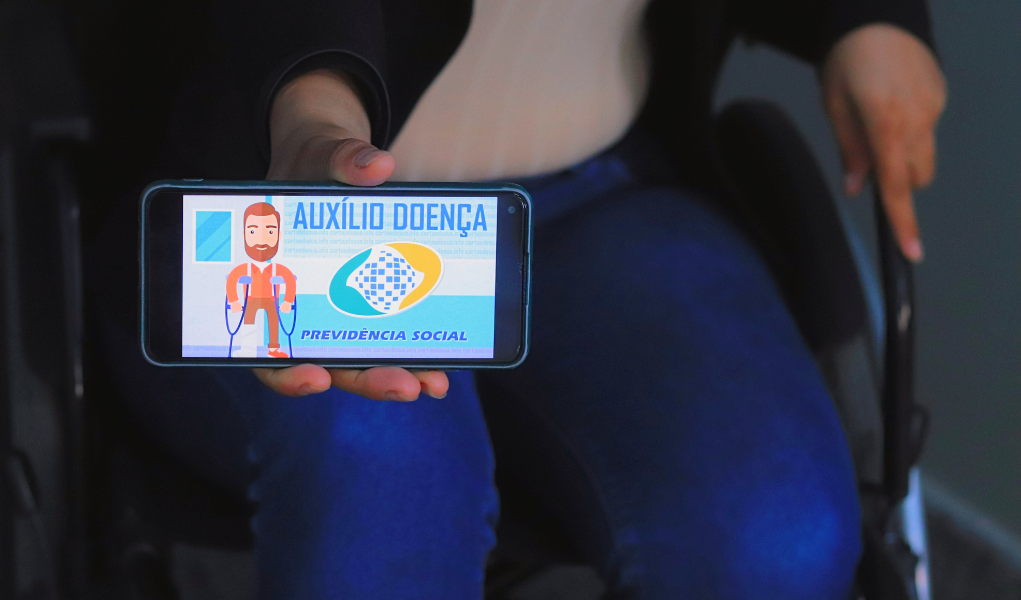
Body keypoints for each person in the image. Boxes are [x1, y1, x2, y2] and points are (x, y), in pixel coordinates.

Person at [74, 0, 947, 597]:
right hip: (299, 200)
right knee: (389, 482)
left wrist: (867, 15)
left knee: (776, 538)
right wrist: (313, 113)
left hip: (599, 184)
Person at [226, 202, 296, 358]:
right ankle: (248, 349)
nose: (261, 239)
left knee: (273, 321)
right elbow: (232, 280)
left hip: (272, 300)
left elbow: (290, 280)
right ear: (244, 235)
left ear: (278, 236)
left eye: (270, 232)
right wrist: (234, 301)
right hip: (250, 300)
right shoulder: (245, 269)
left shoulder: (278, 269)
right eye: (253, 231)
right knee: (249, 320)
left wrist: (287, 302)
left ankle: (273, 350)